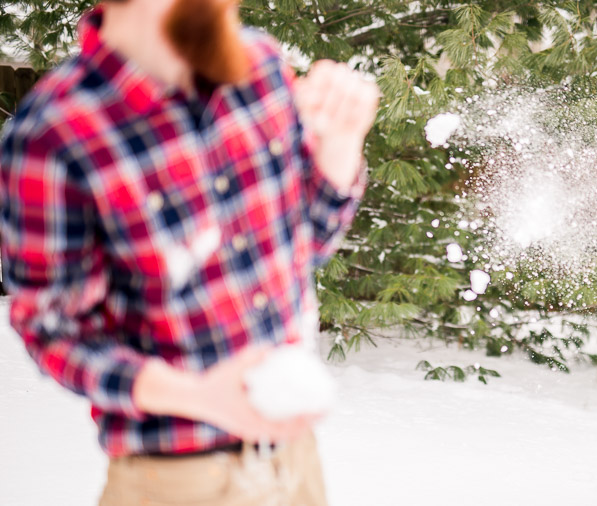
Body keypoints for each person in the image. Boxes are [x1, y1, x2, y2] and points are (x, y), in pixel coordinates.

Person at [0, 0, 379, 504]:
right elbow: (53, 331)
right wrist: (197, 397)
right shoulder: (55, 133)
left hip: (293, 458)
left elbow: (303, 246)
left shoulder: (259, 67)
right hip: (174, 478)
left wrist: (341, 144)